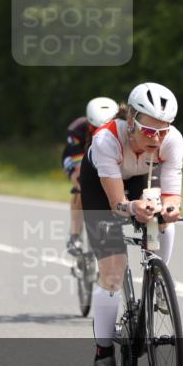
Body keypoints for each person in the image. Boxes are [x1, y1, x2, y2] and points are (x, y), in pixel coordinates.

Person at [79, 83, 183, 366]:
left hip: (140, 176)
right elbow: (116, 204)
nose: (157, 140)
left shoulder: (171, 141)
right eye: (149, 132)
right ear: (132, 121)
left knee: (162, 219)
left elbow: (172, 194)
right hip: (102, 187)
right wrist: (132, 207)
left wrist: (170, 208)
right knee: (112, 271)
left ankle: (158, 280)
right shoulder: (106, 139)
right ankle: (104, 355)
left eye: (163, 132)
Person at [62, 97, 120, 256]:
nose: (102, 133)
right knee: (80, 184)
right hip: (79, 156)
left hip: (107, 158)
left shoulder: (122, 129)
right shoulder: (77, 130)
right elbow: (79, 167)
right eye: (96, 128)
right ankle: (74, 235)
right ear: (89, 125)